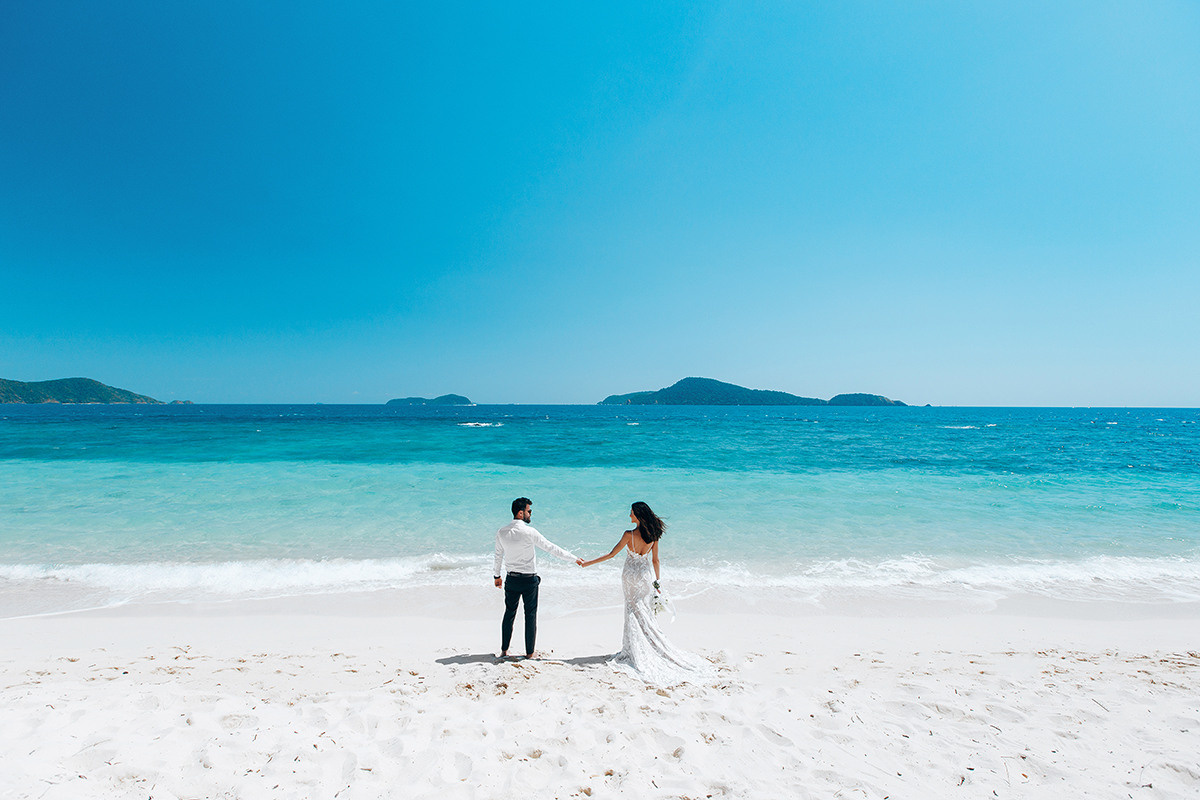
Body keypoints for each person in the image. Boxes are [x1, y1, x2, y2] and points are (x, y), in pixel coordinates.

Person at [580, 501, 711, 685]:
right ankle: (647, 644)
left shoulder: (629, 535)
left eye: (631, 513)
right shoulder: (654, 534)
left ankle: (634, 650)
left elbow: (611, 555)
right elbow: (656, 560)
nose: (629, 516)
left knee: (632, 610)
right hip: (644, 576)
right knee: (643, 611)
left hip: (630, 576)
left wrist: (587, 563)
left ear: (639, 516)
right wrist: (657, 581)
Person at [493, 497, 583, 659]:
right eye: (529, 511)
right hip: (529, 580)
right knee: (530, 616)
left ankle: (504, 651)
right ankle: (529, 654)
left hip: (511, 580)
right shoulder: (529, 532)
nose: (530, 514)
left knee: (509, 614)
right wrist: (574, 558)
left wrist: (497, 576)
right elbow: (551, 548)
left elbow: (498, 555)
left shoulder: (502, 532)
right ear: (520, 513)